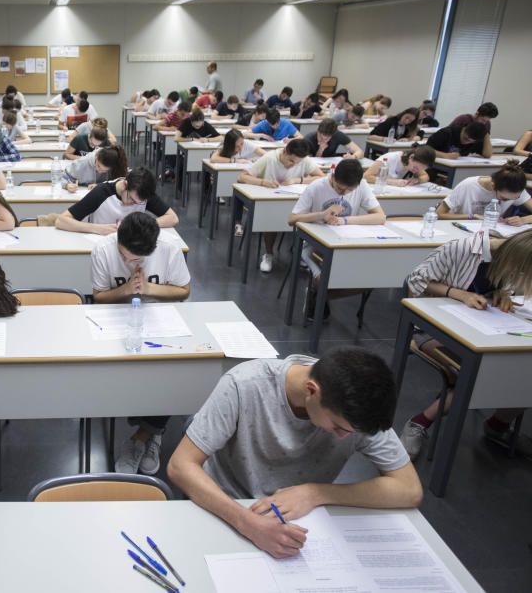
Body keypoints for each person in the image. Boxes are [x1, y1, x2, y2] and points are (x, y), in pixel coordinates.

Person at [167, 347, 422, 560]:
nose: (344, 436)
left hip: (301, 519)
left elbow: (409, 489)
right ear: (312, 391)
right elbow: (180, 466)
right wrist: (247, 523)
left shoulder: (357, 408)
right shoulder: (245, 385)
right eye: (337, 428)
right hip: (229, 508)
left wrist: (316, 492)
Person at [399, 230, 532, 460]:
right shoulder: (461, 248)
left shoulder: (510, 263)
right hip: (434, 329)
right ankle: (418, 423)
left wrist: (501, 294)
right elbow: (416, 280)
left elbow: (497, 287)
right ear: (514, 263)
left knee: (524, 370)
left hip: (483, 327)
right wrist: (458, 294)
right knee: (481, 374)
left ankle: (498, 424)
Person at [91, 212, 190, 475]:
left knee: (175, 369)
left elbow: (184, 290)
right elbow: (99, 296)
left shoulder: (169, 249)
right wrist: (125, 290)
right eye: (123, 255)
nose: (127, 262)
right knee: (119, 372)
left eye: (136, 259)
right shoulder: (102, 249)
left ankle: (144, 436)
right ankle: (150, 428)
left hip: (162, 320)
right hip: (114, 319)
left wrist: (148, 289)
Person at [289, 160, 386, 320]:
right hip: (313, 244)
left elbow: (380, 217)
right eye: (340, 188)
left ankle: (321, 295)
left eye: (349, 190)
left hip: (347, 243)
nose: (344, 193)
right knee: (323, 278)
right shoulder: (316, 187)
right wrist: (322, 214)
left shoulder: (361, 186)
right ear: (333, 176)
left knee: (371, 278)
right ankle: (317, 290)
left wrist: (345, 220)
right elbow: (292, 219)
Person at [238, 139, 325, 273]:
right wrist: (262, 182)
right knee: (271, 221)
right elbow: (242, 177)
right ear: (285, 151)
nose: (292, 165)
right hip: (271, 203)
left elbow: (321, 177)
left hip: (295, 202)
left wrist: (298, 180)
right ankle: (268, 254)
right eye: (291, 161)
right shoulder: (269, 158)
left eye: (297, 163)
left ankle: (301, 253)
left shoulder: (303, 160)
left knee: (311, 218)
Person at [56, 168, 178, 234]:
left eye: (138, 203)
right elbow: (61, 221)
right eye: (131, 199)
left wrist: (143, 225)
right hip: (98, 243)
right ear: (125, 185)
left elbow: (173, 218)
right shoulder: (102, 192)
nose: (133, 204)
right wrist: (97, 229)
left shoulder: (143, 193)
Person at [436, 162, 532, 224]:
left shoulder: (516, 188)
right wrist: (472, 217)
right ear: (493, 186)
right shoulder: (468, 185)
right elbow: (439, 214)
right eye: (504, 199)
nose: (509, 201)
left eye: (516, 198)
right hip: (460, 228)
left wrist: (523, 220)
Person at [63, 145, 128, 190]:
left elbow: (118, 183)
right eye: (98, 166)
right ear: (96, 156)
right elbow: (63, 177)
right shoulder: (83, 162)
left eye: (104, 171)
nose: (99, 171)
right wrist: (67, 185)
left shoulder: (115, 168)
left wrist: (100, 186)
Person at [364, 145, 435, 185]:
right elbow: (367, 176)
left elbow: (425, 176)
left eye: (420, 169)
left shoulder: (417, 164)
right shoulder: (389, 158)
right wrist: (391, 181)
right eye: (415, 167)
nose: (416, 171)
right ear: (411, 157)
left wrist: (417, 180)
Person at [426, 122, 490, 159]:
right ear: (464, 128)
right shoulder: (447, 133)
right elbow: (425, 149)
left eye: (469, 141)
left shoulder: (476, 138)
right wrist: (444, 155)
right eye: (465, 138)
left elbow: (487, 155)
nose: (465, 142)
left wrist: (486, 135)